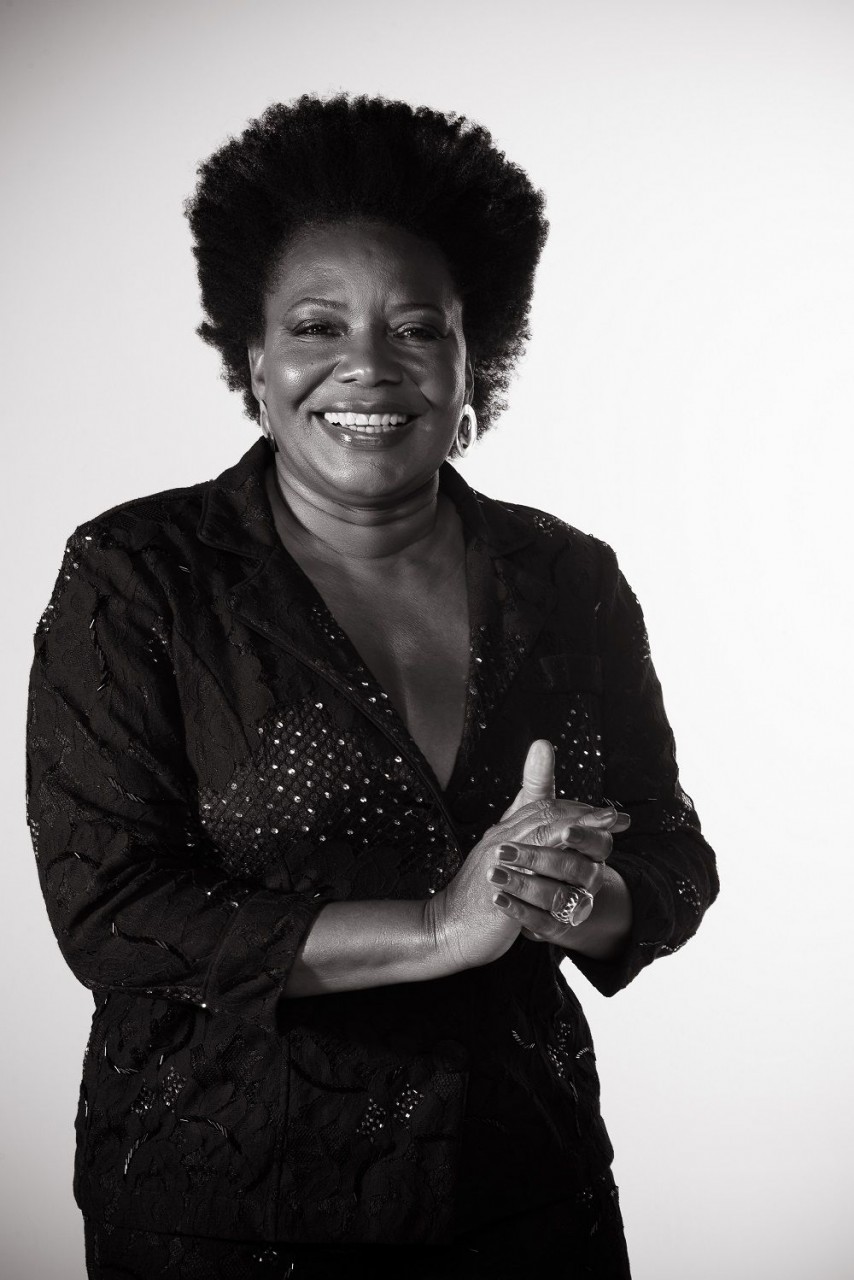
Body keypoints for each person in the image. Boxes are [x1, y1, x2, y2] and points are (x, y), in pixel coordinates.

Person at [25, 94, 719, 1280]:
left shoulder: (566, 577)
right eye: (316, 324)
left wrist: (572, 895)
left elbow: (668, 852)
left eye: (415, 328)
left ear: (468, 363)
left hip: (525, 1193)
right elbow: (113, 910)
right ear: (254, 362)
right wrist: (440, 926)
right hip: (231, 1216)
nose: (367, 364)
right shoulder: (137, 575)